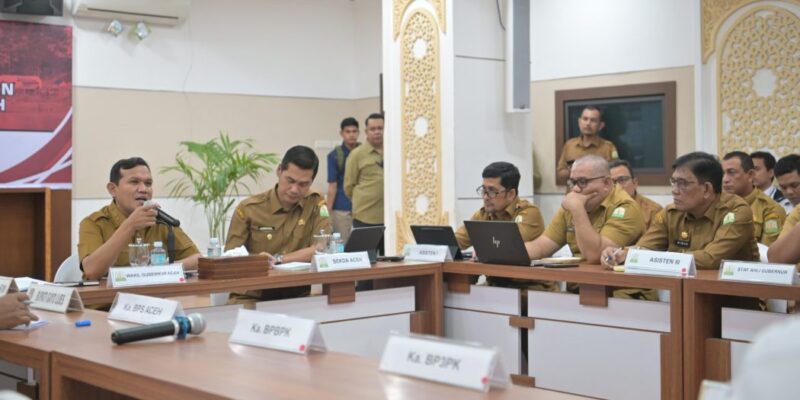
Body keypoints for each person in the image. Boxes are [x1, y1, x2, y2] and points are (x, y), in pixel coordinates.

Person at [602, 152, 759, 270]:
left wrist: (658, 259)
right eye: (674, 182)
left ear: (706, 189)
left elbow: (710, 259)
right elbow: (645, 248)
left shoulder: (737, 211)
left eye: (682, 184)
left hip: (737, 301)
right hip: (683, 294)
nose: (675, 191)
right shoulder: (671, 213)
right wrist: (621, 253)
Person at [225, 145, 330, 299]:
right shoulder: (249, 209)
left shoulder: (316, 203)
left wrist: (278, 260)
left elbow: (320, 248)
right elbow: (229, 258)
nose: (294, 189)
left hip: (295, 295)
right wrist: (257, 261)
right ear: (279, 171)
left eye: (303, 184)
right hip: (252, 295)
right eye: (290, 180)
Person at [78, 157, 200, 280]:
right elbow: (91, 271)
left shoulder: (161, 221)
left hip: (157, 296)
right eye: (134, 182)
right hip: (110, 297)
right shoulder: (94, 223)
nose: (143, 189)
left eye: (148, 183)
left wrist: (164, 270)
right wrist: (130, 225)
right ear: (112, 189)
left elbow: (198, 259)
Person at [454, 162, 549, 289]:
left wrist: (480, 249)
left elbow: (506, 247)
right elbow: (455, 241)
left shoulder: (530, 213)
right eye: (484, 190)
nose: (486, 197)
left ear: (510, 194)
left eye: (492, 191)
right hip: (496, 286)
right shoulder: (483, 215)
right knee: (458, 293)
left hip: (530, 288)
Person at [721, 151, 785, 245]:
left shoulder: (769, 209)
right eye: (722, 173)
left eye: (732, 172)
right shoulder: (717, 205)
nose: (725, 179)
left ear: (751, 175)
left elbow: (768, 253)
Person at [344, 113, 385, 253]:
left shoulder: (394, 151)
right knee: (364, 259)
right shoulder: (357, 154)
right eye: (373, 129)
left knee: (389, 261)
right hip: (365, 216)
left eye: (380, 128)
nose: (377, 132)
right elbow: (348, 186)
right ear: (366, 131)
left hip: (389, 218)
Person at [556, 106, 619, 182]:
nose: (588, 123)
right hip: (574, 192)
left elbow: (616, 173)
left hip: (598, 193)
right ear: (579, 122)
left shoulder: (608, 147)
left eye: (593, 120)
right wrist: (574, 170)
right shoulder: (569, 145)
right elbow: (560, 174)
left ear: (600, 125)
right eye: (585, 119)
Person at [326, 117, 360, 243]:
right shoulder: (334, 155)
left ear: (359, 133)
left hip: (362, 207)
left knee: (363, 243)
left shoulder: (364, 153)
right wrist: (327, 213)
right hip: (341, 207)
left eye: (354, 131)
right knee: (342, 244)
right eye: (348, 131)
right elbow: (332, 186)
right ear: (342, 133)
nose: (351, 135)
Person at [609, 159, 663, 230]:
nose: (617, 186)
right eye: (612, 182)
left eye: (622, 180)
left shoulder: (653, 211)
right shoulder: (603, 207)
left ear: (635, 183)